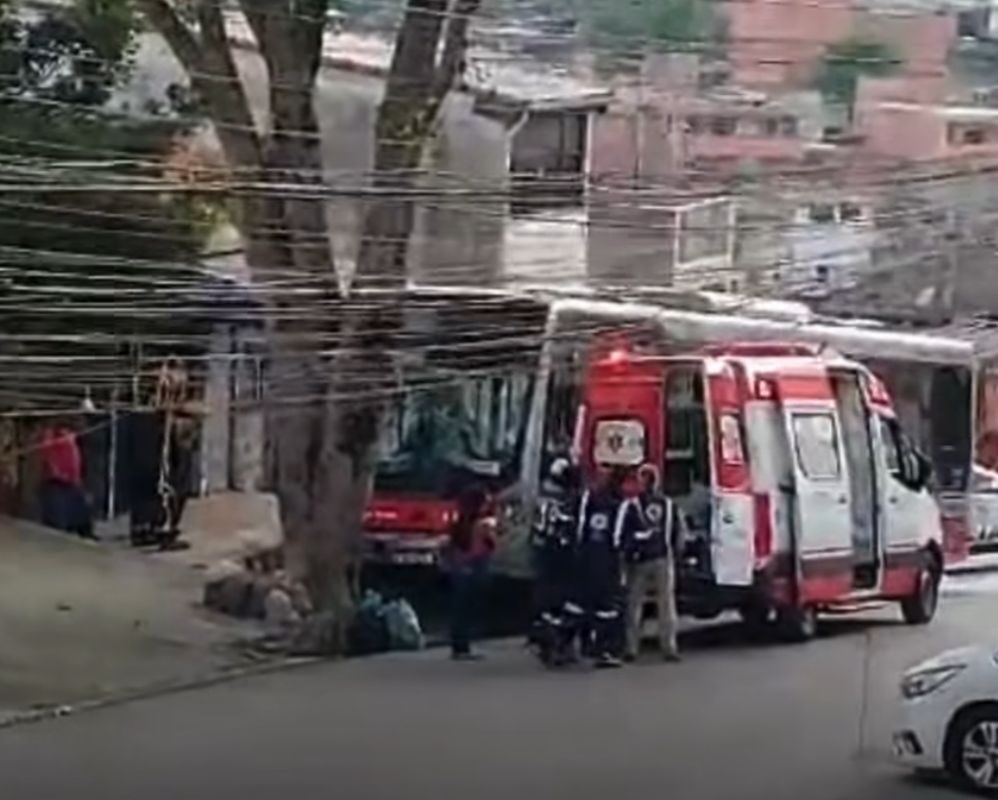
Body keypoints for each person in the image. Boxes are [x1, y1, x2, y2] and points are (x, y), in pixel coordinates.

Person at [575, 465, 640, 668]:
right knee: (610, 608)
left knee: (588, 604)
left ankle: (585, 644)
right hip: (609, 561)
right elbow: (619, 538)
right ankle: (606, 650)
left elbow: (580, 529)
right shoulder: (621, 505)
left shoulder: (589, 499)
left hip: (587, 559)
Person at [625, 463, 682, 663]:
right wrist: (676, 553)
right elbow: (678, 532)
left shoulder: (633, 505)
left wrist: (628, 553)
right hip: (662, 558)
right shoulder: (668, 504)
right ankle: (669, 647)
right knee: (666, 605)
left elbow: (624, 533)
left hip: (640, 561)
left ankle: (631, 647)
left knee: (634, 604)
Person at [528, 458, 583, 666]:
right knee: (566, 602)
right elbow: (572, 529)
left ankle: (548, 644)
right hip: (560, 554)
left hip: (542, 553)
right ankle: (559, 645)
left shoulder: (542, 497)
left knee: (546, 603)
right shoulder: (567, 502)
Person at [444, 484, 496, 661]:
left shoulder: (461, 521)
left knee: (459, 608)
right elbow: (486, 545)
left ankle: (460, 645)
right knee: (464, 609)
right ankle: (462, 647)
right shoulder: (479, 524)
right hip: (471, 568)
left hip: (461, 568)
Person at [38, 419, 93, 539]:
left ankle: (84, 534)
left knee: (82, 512)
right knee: (57, 523)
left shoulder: (71, 436)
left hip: (72, 481)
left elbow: (75, 459)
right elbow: (48, 455)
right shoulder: (53, 435)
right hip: (58, 482)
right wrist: (56, 472)